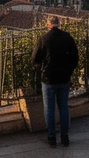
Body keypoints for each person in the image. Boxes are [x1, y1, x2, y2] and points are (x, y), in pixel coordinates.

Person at [32, 14, 80, 147]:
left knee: (49, 109)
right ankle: (65, 137)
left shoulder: (44, 38)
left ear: (48, 24)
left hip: (48, 78)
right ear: (59, 24)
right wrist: (69, 71)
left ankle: (52, 138)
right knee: (64, 107)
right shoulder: (68, 38)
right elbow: (75, 58)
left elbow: (35, 59)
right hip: (64, 77)